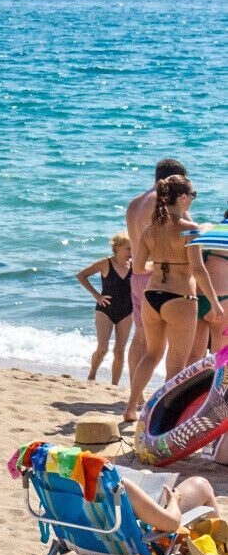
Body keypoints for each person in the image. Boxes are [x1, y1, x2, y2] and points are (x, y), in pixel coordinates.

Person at [138, 175, 215, 392]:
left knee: (151, 355)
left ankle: (131, 406)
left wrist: (162, 265)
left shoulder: (150, 229)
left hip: (152, 294)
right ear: (182, 197)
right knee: (176, 363)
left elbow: (137, 268)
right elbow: (198, 270)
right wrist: (214, 303)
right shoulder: (190, 229)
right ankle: (161, 411)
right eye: (193, 195)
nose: (192, 199)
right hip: (180, 298)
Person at [126, 158, 187, 418]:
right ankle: (161, 406)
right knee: (162, 346)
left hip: (138, 273)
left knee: (141, 337)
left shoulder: (135, 202)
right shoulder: (161, 203)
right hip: (162, 275)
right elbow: (184, 232)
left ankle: (135, 397)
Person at [78, 233, 137, 387]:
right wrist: (97, 295)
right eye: (128, 248)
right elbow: (82, 275)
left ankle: (114, 385)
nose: (131, 252)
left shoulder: (135, 265)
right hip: (105, 310)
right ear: (117, 248)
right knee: (102, 348)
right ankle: (92, 375)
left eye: (133, 248)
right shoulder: (106, 263)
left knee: (119, 351)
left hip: (127, 311)